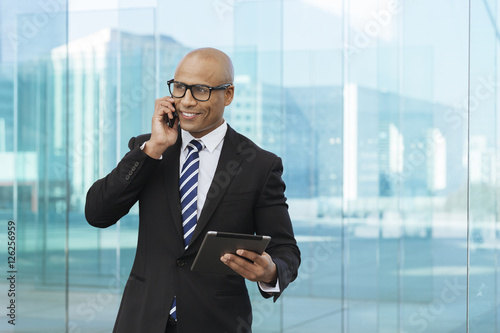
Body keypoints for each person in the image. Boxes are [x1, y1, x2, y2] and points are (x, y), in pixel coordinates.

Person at [85, 47, 300, 333]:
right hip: (142, 320)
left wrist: (270, 270)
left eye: (200, 90)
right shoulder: (149, 148)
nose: (186, 100)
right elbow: (97, 213)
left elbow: (285, 250)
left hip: (217, 322)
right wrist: (152, 150)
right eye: (180, 87)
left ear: (229, 94)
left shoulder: (259, 165)